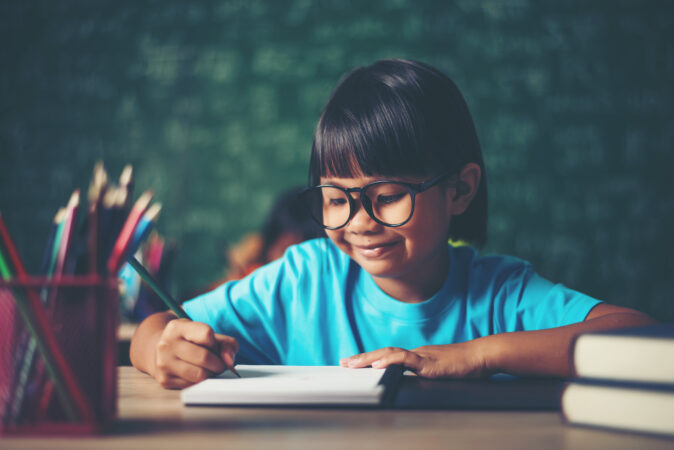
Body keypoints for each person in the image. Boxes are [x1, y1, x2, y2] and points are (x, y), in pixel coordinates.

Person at [130, 59, 655, 388]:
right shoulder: (303, 280)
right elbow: (152, 329)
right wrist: (163, 351)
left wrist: (477, 355)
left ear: (460, 190)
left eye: (387, 196)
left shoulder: (501, 294)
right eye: (336, 199)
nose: (359, 223)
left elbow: (641, 336)